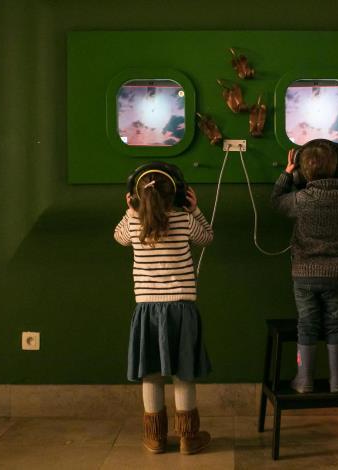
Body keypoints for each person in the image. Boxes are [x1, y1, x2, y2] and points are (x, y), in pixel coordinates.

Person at [114, 167, 213, 454]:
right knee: (183, 373)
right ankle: (188, 438)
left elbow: (118, 237)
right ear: (178, 193)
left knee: (151, 374)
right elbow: (207, 238)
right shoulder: (183, 219)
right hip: (181, 307)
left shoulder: (134, 223)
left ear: (135, 196)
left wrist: (131, 212)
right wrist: (195, 211)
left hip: (147, 309)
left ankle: (155, 438)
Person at [271, 139, 338, 393]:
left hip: (304, 275)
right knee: (335, 324)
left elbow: (276, 201)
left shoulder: (300, 199)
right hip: (337, 274)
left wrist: (286, 174)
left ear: (302, 171)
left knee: (307, 324)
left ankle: (304, 381)